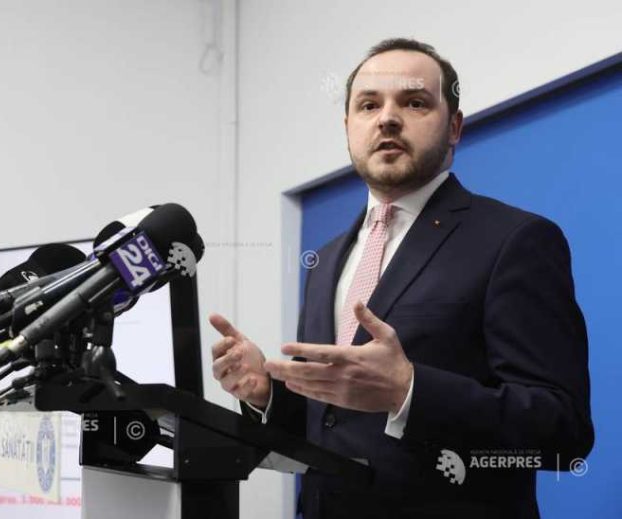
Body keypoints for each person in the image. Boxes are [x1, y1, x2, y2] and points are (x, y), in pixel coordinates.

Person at [209, 38, 593, 518]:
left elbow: (562, 433)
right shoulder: (324, 261)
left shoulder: (514, 240)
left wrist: (409, 391)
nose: (387, 119)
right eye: (368, 105)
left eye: (414, 102)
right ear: (348, 128)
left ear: (454, 127)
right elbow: (333, 423)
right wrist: (267, 395)